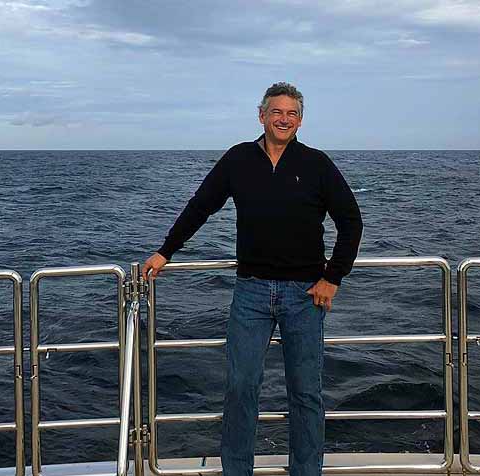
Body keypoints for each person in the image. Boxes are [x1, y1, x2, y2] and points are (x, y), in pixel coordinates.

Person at [142, 82, 363, 476]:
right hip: (251, 292)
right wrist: (165, 251)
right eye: (276, 112)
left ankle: (307, 472)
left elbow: (351, 221)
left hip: (305, 295)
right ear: (261, 115)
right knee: (241, 388)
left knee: (306, 393)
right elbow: (199, 207)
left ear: (301, 120)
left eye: (291, 113)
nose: (284, 119)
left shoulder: (317, 164)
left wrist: (333, 277)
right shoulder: (238, 159)